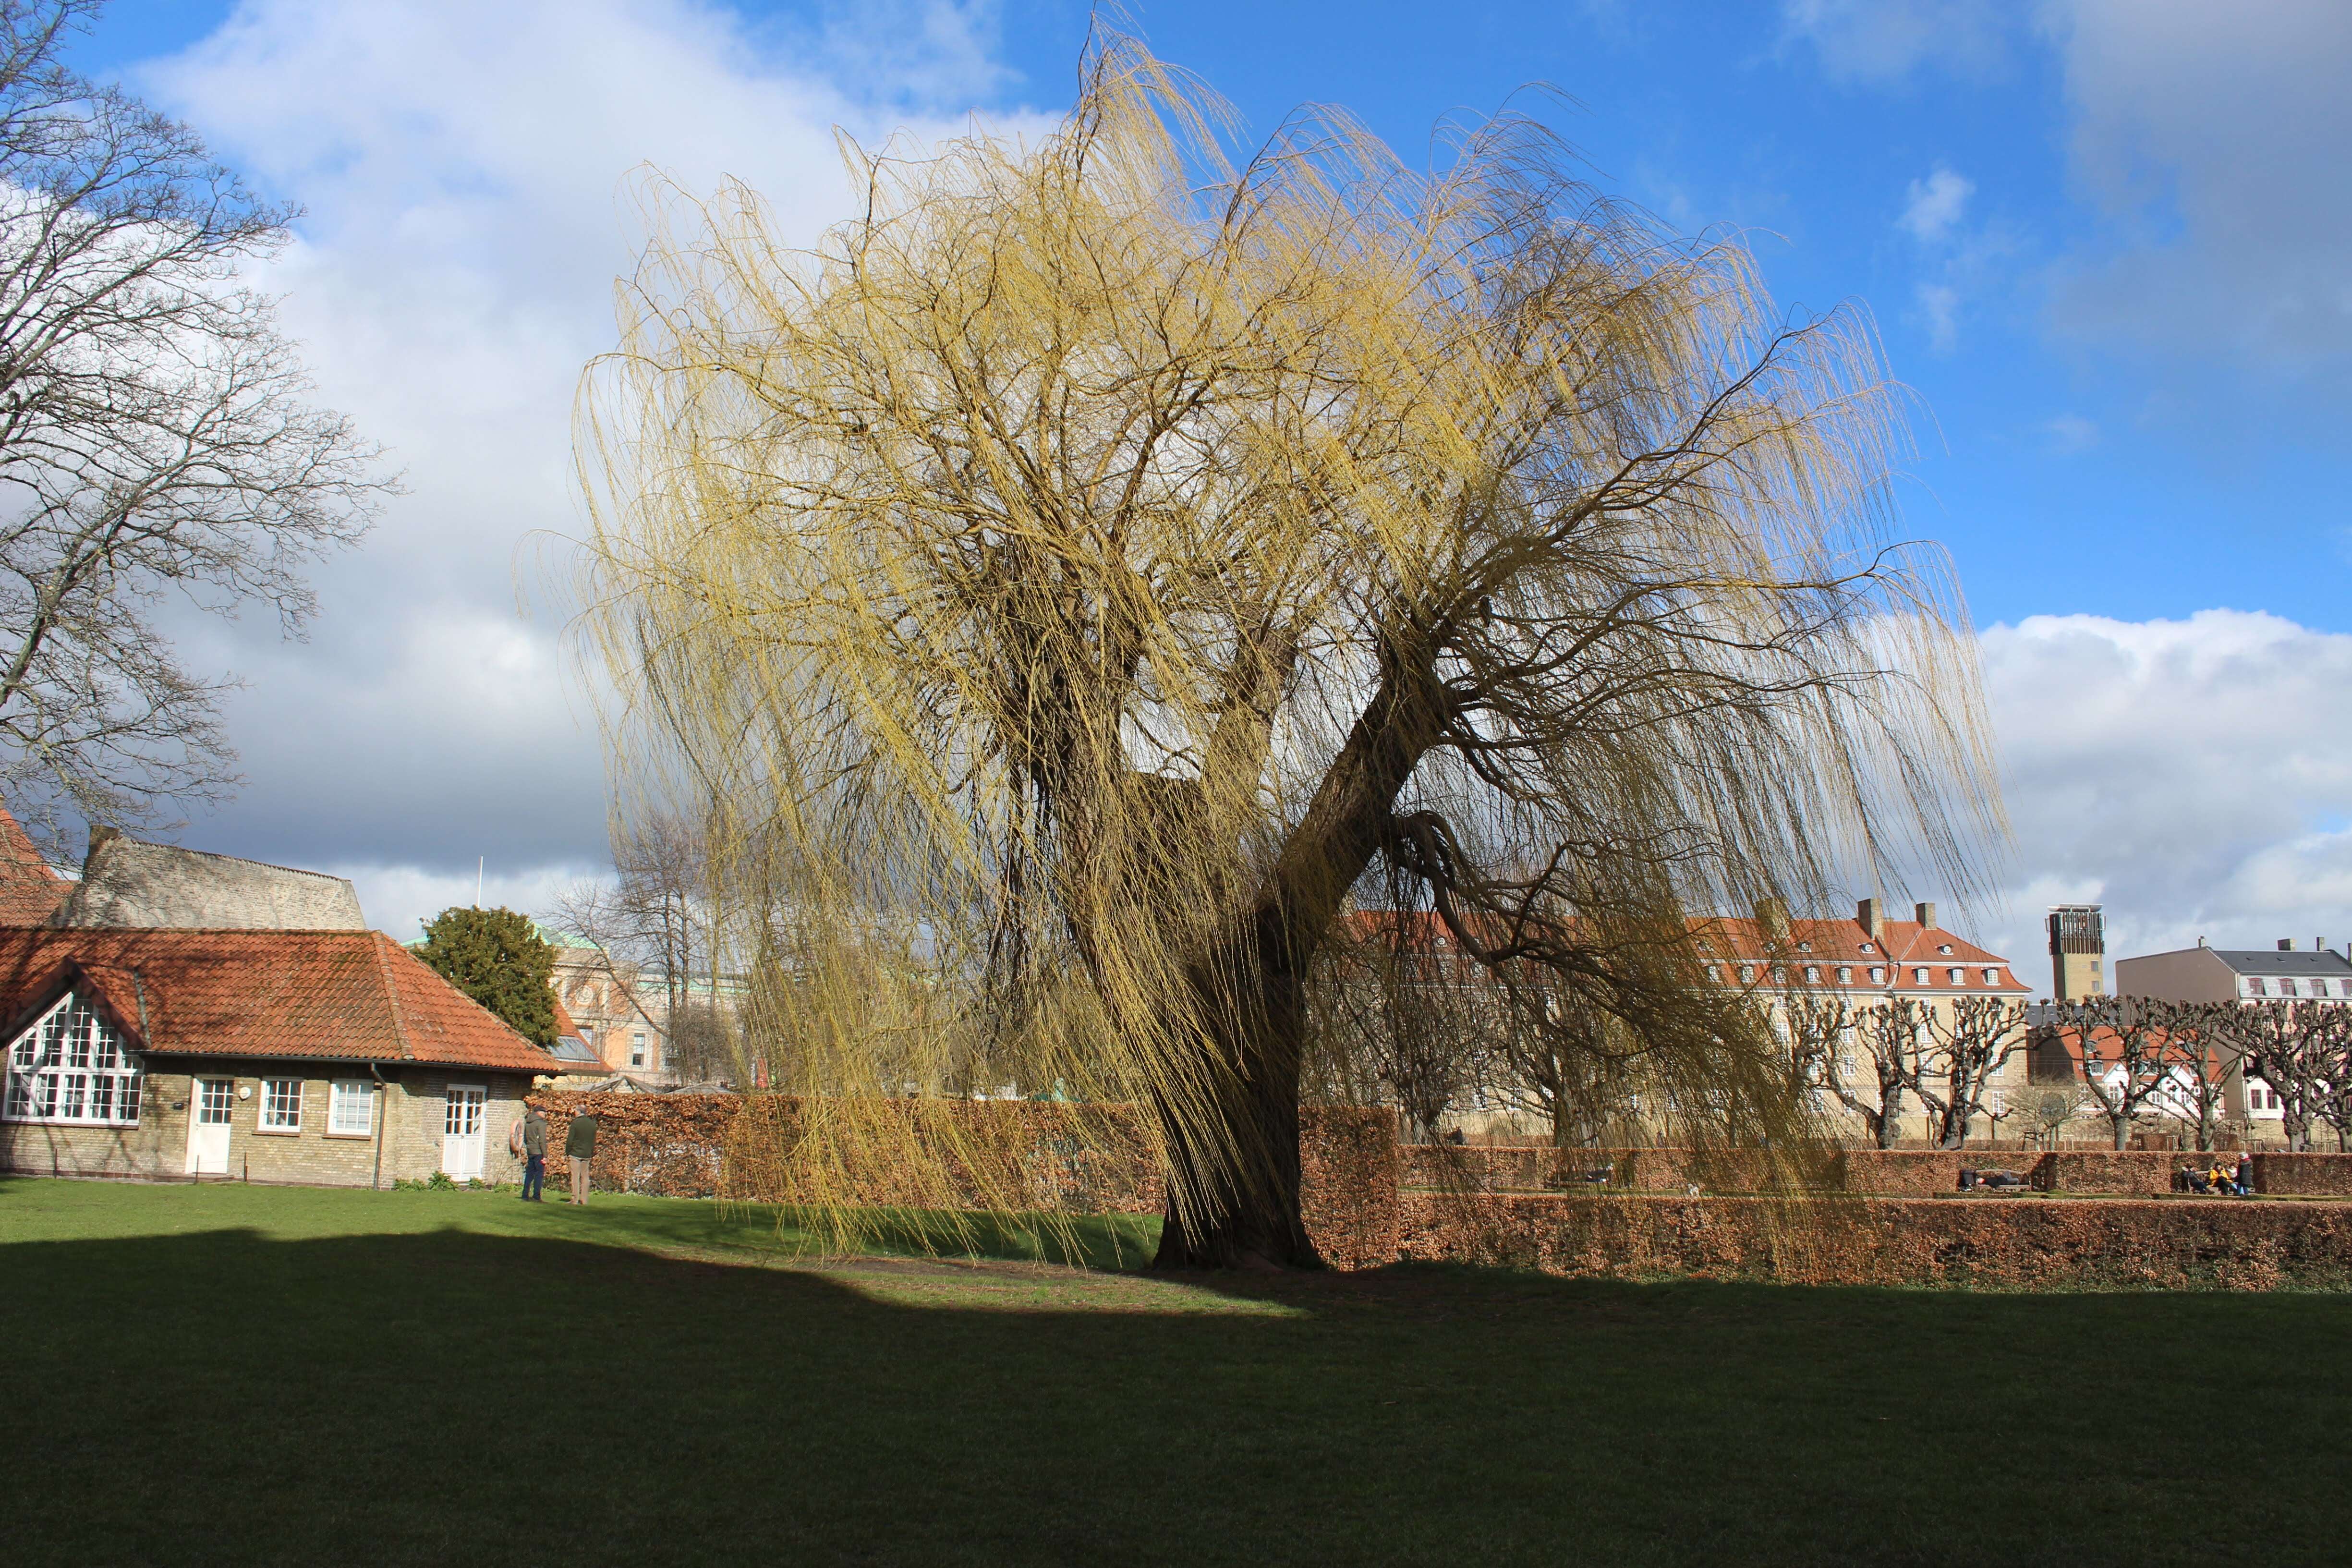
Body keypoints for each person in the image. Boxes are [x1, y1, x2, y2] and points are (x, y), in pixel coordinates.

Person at [566, 1110, 598, 1205]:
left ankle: (575, 1199)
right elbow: (594, 1140)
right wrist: (591, 1151)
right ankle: (584, 1200)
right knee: (585, 1177)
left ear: (578, 1112)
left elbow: (570, 1139)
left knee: (575, 1177)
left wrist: (568, 1151)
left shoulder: (576, 1123)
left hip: (575, 1153)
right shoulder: (592, 1124)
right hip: (587, 1154)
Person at [520, 1104, 548, 1202]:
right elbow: (542, 1141)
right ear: (539, 1113)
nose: (546, 1114)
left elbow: (525, 1138)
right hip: (539, 1152)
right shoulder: (541, 1124)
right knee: (539, 1175)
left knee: (529, 1174)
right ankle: (537, 1196)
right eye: (544, 1112)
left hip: (530, 1151)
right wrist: (545, 1155)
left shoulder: (528, 1122)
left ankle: (525, 1195)